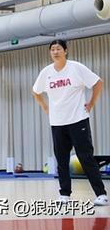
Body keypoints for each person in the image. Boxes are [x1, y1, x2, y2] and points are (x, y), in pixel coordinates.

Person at [32, 39, 108, 206]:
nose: (55, 52)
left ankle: (101, 194)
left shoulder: (76, 68)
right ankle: (64, 194)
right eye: (52, 49)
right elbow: (36, 91)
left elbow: (98, 83)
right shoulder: (46, 72)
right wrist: (45, 107)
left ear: (65, 51)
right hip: (57, 123)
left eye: (58, 49)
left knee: (86, 158)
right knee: (62, 160)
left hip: (78, 120)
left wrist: (91, 103)